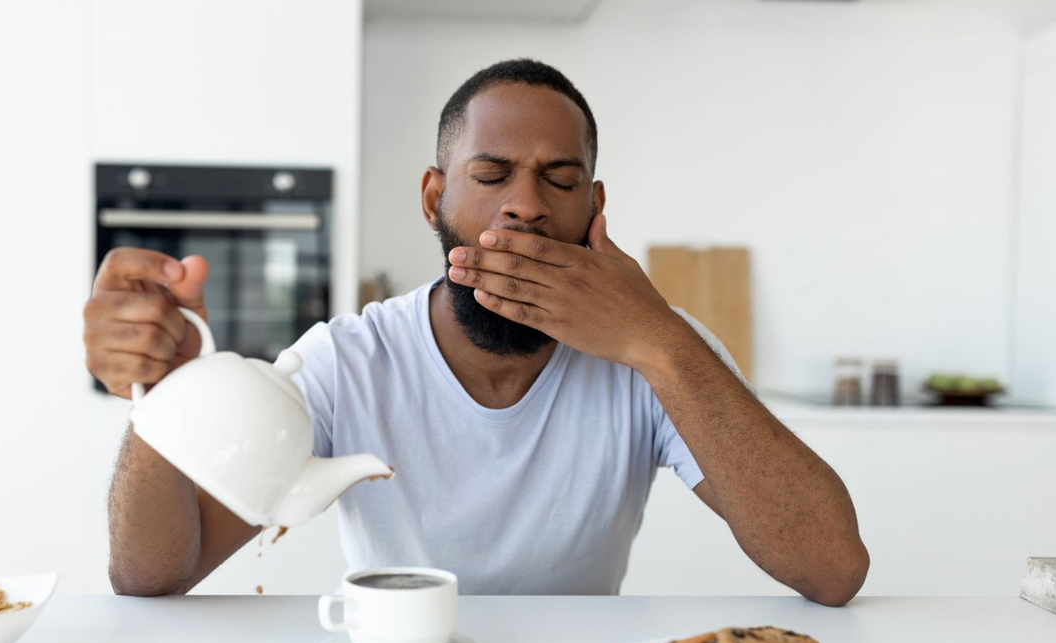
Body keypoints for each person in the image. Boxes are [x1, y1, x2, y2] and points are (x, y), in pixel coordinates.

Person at [83, 59, 869, 602]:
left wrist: (656, 340)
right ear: (434, 199)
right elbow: (153, 577)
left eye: (559, 180)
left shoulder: (656, 350)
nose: (524, 205)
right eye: (490, 176)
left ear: (594, 209)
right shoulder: (347, 360)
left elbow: (831, 569)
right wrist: (164, 398)